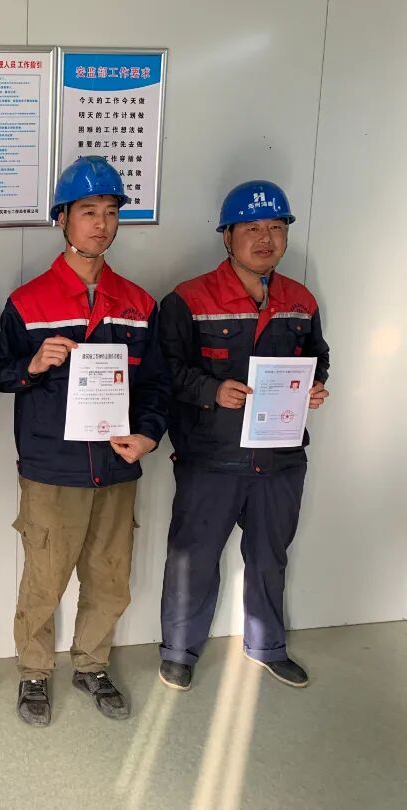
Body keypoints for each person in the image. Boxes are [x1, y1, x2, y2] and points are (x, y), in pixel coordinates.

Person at [0, 156, 171, 725]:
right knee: (44, 579)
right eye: (88, 211)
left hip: (116, 467)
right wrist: (31, 364)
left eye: (111, 212)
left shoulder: (138, 304)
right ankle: (34, 672)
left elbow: (156, 385)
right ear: (62, 218)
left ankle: (92, 664)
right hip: (52, 468)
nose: (101, 224)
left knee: (110, 576)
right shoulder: (29, 302)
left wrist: (148, 436)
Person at [157, 180, 330, 691]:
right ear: (227, 236)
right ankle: (179, 651)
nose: (265, 238)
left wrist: (315, 386)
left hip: (280, 457)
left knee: (270, 556)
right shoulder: (189, 298)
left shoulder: (300, 300)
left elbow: (317, 356)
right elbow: (166, 372)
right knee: (193, 557)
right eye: (252, 228)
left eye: (276, 227)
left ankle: (267, 646)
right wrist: (212, 390)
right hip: (212, 458)